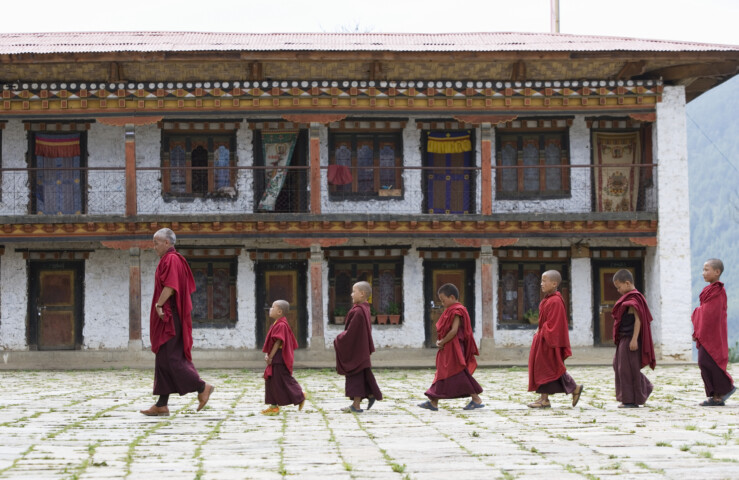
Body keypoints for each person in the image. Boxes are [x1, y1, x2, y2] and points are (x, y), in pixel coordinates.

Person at [140, 228, 214, 416]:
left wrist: (159, 304)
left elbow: (171, 286)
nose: (154, 246)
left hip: (170, 316)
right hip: (168, 315)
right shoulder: (168, 259)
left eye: (156, 242)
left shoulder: (172, 259)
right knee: (164, 359)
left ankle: (202, 387)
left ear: (167, 243)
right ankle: (161, 404)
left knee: (172, 359)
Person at [418, 283, 483, 411]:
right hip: (449, 347)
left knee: (457, 371)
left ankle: (476, 399)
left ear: (452, 297)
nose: (442, 303)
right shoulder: (451, 309)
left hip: (455, 347)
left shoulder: (457, 310)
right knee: (443, 371)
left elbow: (453, 331)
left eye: (443, 300)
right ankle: (433, 401)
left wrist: (442, 342)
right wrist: (442, 342)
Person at [527, 270, 584, 408]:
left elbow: (554, 324)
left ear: (554, 283)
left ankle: (547, 398)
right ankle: (547, 397)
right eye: (541, 281)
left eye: (544, 281)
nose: (541, 284)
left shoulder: (556, 301)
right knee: (547, 368)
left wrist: (542, 331)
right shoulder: (548, 299)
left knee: (550, 368)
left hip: (549, 341)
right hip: (543, 339)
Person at [692, 258, 736, 406]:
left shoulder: (718, 290)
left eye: (706, 270)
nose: (703, 273)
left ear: (717, 272)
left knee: (708, 361)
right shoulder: (709, 290)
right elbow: (705, 311)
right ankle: (715, 395)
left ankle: (722, 392)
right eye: (703, 269)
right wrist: (698, 325)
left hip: (714, 334)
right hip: (706, 332)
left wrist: (697, 314)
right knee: (704, 362)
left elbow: (711, 314)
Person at [334, 281, 383, 413]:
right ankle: (371, 395)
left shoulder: (359, 311)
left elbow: (351, 333)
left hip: (357, 349)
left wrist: (339, 338)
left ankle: (356, 405)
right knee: (362, 374)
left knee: (355, 374)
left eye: (353, 291)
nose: (351, 294)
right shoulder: (364, 308)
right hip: (360, 348)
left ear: (362, 294)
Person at [611, 269, 656, 408]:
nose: (618, 290)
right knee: (618, 365)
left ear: (627, 283)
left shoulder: (634, 299)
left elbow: (638, 320)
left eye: (619, 287)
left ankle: (630, 400)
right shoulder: (630, 298)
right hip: (624, 337)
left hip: (631, 338)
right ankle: (645, 387)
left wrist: (635, 339)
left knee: (626, 368)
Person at [262, 300, 306, 415]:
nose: (270, 309)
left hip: (278, 357)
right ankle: (273, 406)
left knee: (284, 378)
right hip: (274, 356)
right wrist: (267, 353)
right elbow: (272, 343)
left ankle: (299, 395)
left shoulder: (281, 325)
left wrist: (270, 356)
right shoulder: (277, 323)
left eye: (272, 307)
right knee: (271, 381)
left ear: (279, 312)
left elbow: (277, 342)